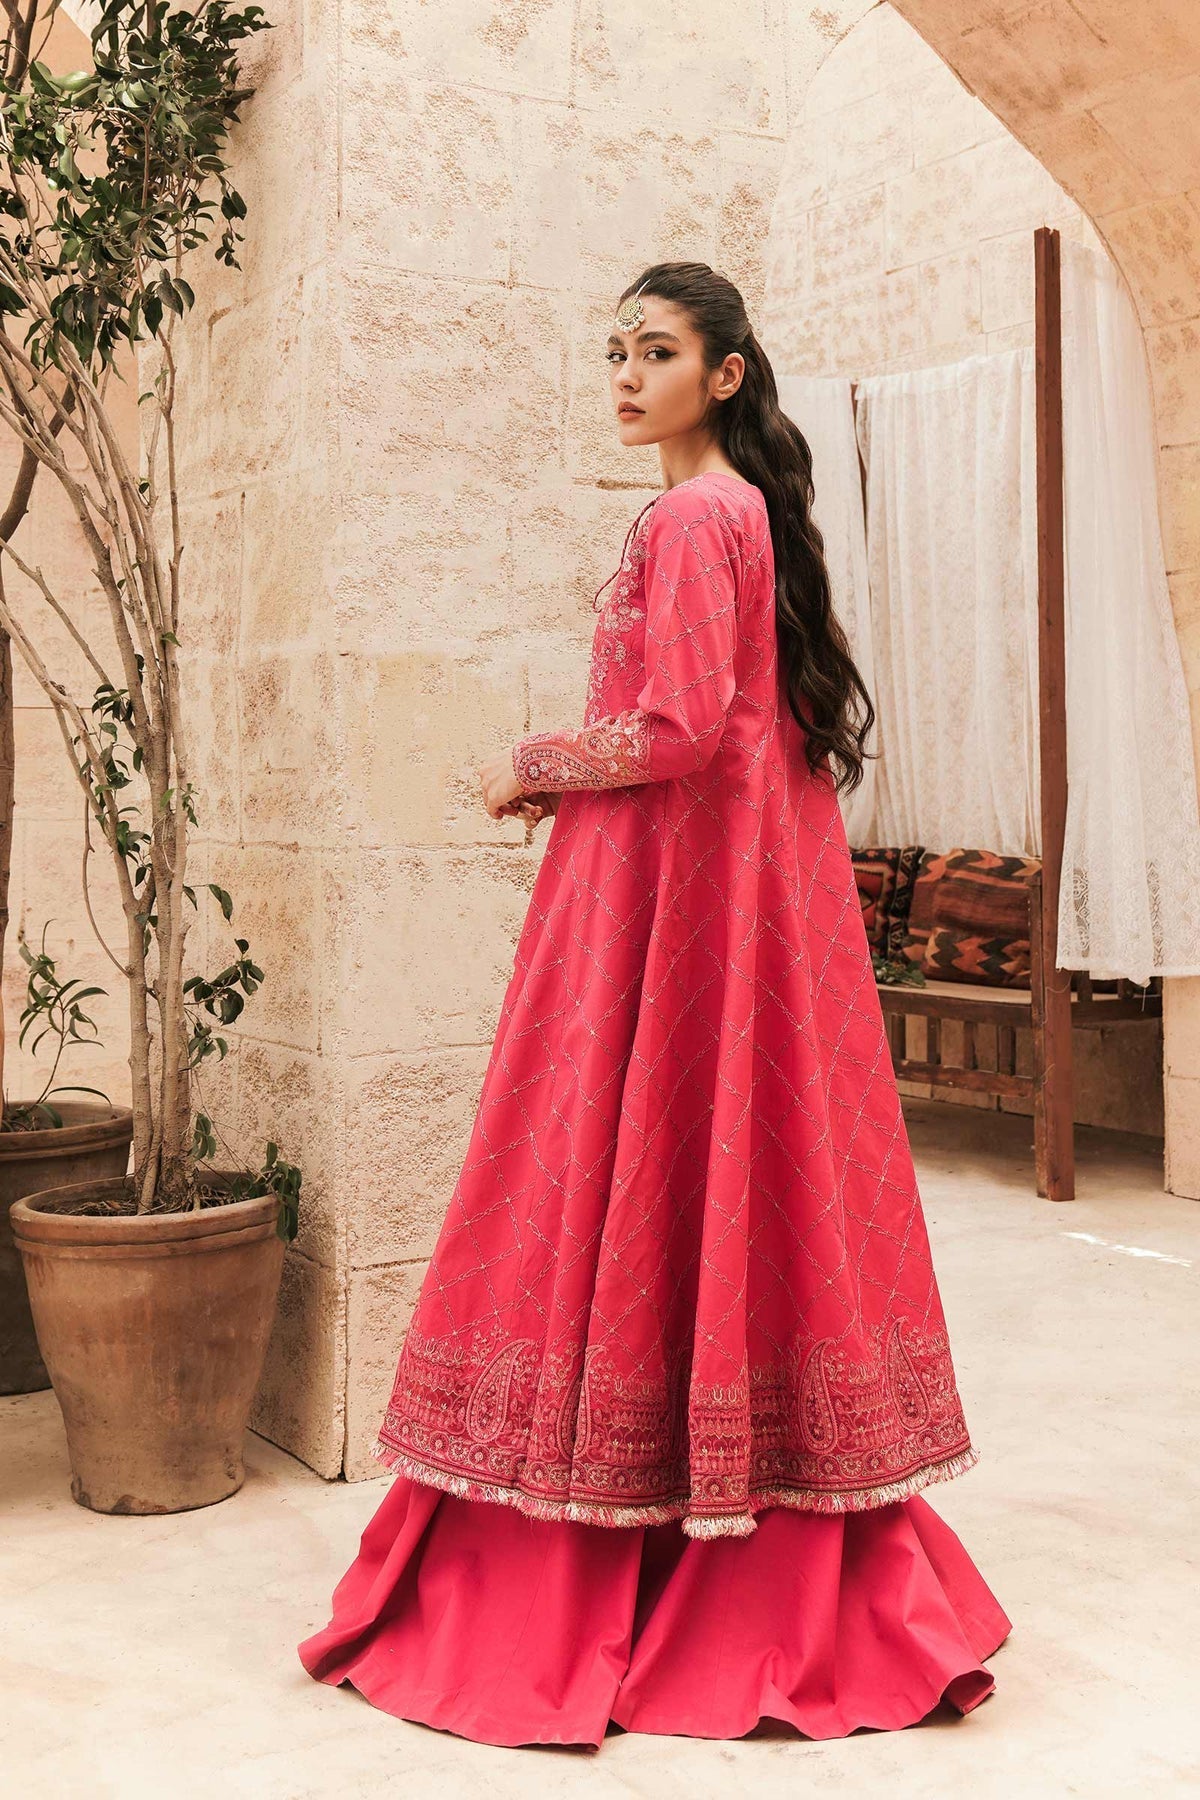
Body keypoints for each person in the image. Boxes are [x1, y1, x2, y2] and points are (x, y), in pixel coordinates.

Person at [297, 261, 1011, 1747]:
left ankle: (598, 1559)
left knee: (604, 1168)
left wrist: (529, 763)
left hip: (666, 903)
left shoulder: (694, 517)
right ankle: (737, 1527)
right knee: (707, 1176)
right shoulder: (742, 515)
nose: (625, 377)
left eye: (658, 353)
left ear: (725, 375)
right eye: (615, 351)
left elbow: (679, 729)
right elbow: (743, 728)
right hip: (710, 896)